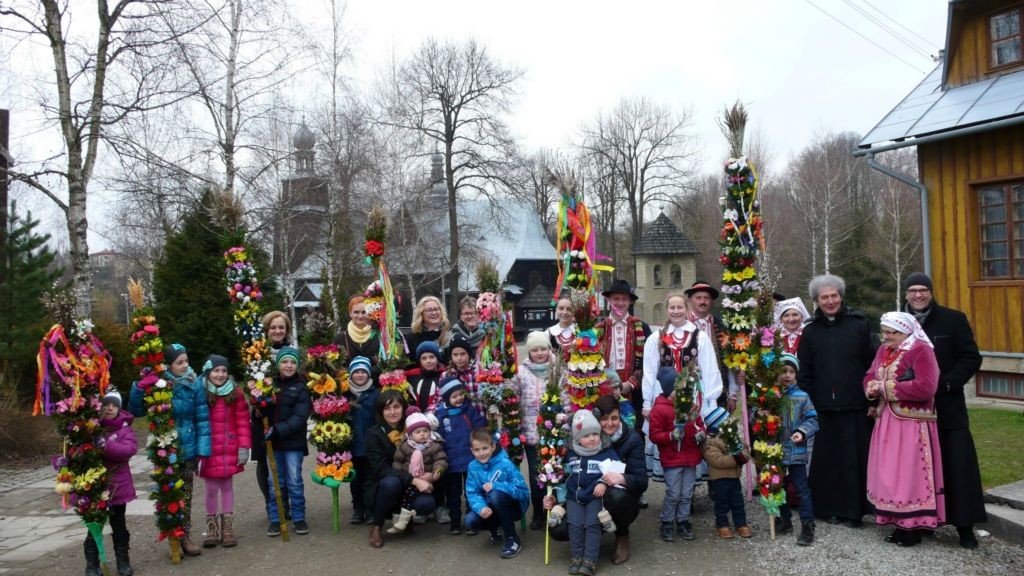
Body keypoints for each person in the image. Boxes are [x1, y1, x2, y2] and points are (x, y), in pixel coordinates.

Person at [902, 272, 986, 548]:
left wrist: (948, 383)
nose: (918, 295)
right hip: (913, 412)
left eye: (923, 290)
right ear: (906, 294)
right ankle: (921, 523)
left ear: (930, 292)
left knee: (958, 466)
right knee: (919, 470)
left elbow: (971, 357)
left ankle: (965, 526)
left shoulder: (953, 319)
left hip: (947, 407)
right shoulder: (898, 323)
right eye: (913, 290)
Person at [797, 274, 877, 528]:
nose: (830, 301)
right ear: (816, 301)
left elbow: (872, 364)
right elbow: (805, 371)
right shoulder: (810, 331)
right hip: (823, 407)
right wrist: (806, 403)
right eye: (824, 297)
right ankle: (827, 508)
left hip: (856, 404)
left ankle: (854, 512)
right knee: (827, 461)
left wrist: (874, 399)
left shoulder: (860, 324)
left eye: (834, 296)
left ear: (841, 297)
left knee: (855, 460)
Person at [865, 312, 946, 547]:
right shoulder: (884, 351)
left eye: (893, 333)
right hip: (887, 420)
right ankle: (897, 522)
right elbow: (871, 373)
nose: (887, 336)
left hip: (912, 422)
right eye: (885, 331)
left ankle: (912, 527)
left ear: (907, 332)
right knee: (890, 473)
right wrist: (870, 386)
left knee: (910, 474)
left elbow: (927, 387)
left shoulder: (920, 350)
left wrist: (885, 387)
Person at [128, 343, 210, 556]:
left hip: (188, 448)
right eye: (179, 362)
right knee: (168, 494)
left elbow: (202, 418)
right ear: (168, 365)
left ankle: (185, 536)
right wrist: (139, 387)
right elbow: (135, 411)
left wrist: (202, 449)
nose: (185, 365)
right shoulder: (159, 385)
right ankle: (173, 537)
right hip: (166, 449)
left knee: (186, 495)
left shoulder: (195, 383)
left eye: (186, 361)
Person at [641, 293, 723, 484]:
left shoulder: (699, 337)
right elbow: (650, 371)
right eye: (672, 308)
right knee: (671, 439)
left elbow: (710, 369)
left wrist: (711, 400)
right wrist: (647, 402)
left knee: (691, 438)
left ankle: (689, 489)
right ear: (666, 309)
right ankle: (673, 488)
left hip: (695, 398)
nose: (676, 311)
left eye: (680, 307)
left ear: (687, 310)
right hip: (665, 400)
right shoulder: (656, 338)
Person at [366, 391, 437, 548]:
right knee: (391, 483)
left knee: (427, 504)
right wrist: (414, 480)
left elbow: (435, 455)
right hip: (382, 487)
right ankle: (376, 527)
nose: (392, 412)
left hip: (410, 487)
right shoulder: (374, 434)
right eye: (387, 408)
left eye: (396, 407)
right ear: (380, 411)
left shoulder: (416, 430)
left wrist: (432, 474)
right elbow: (381, 469)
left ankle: (406, 519)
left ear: (404, 408)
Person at [197, 355, 251, 548]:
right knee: (211, 488)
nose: (220, 375)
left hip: (229, 447)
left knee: (227, 486)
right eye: (216, 371)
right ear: (208, 372)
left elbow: (243, 421)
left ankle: (227, 528)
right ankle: (212, 528)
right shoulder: (200, 392)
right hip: (208, 449)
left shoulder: (235, 393)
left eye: (223, 371)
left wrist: (244, 446)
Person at [563, 410, 620, 576]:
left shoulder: (605, 452)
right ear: (577, 438)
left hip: (595, 496)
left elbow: (617, 469)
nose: (593, 438)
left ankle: (589, 560)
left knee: (592, 525)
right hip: (574, 496)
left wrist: (604, 482)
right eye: (587, 435)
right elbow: (562, 474)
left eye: (595, 434)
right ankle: (576, 557)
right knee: (575, 525)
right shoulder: (571, 453)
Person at [648, 366, 702, 542]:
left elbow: (698, 423)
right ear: (669, 390)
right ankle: (667, 521)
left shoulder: (689, 405)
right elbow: (654, 435)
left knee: (687, 493)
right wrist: (671, 435)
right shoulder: (660, 409)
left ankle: (683, 521)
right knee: (673, 493)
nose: (681, 392)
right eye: (677, 389)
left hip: (690, 456)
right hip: (672, 458)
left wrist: (701, 432)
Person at [263, 346, 312, 537]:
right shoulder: (268, 384)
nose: (289, 365)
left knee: (294, 481)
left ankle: (299, 517)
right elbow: (263, 409)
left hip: (293, 442)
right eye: (284, 362)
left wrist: (278, 430)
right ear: (278, 364)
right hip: (272, 443)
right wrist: (259, 411)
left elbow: (300, 417)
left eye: (292, 362)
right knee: (275, 480)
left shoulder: (301, 386)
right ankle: (277, 518)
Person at [90, 390, 137, 576]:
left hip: (118, 486)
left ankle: (122, 562)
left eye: (114, 405)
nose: (110, 408)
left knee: (118, 524)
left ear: (119, 408)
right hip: (95, 485)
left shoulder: (125, 429)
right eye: (106, 404)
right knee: (94, 523)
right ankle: (92, 564)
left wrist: (104, 445)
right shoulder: (92, 428)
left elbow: (127, 450)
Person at [465, 427, 531, 559]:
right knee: (470, 521)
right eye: (477, 450)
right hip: (491, 508)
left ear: (493, 447)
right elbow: (472, 492)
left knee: (496, 494)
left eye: (485, 448)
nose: (481, 453)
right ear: (472, 450)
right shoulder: (473, 466)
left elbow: (522, 491)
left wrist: (496, 486)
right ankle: (495, 529)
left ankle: (512, 538)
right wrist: (481, 507)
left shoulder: (505, 463)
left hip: (514, 507)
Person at [252, 310, 293, 519]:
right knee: (264, 460)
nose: (277, 331)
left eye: (281, 327)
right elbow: (249, 380)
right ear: (267, 330)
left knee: (285, 459)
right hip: (263, 413)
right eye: (273, 327)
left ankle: (285, 502)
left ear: (286, 331)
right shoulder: (257, 353)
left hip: (285, 414)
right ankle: (272, 502)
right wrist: (257, 398)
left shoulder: (292, 352)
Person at [774, 353, 818, 546]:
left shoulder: (802, 397)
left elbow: (812, 419)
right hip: (775, 451)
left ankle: (808, 526)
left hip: (797, 451)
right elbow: (754, 418)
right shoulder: (769, 396)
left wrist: (802, 431)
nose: (788, 375)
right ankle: (784, 520)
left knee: (801, 488)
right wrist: (758, 414)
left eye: (792, 371)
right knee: (778, 486)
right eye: (784, 371)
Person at [434, 375, 487, 535]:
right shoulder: (441, 415)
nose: (458, 398)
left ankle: (472, 520)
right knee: (453, 495)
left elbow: (479, 429)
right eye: (454, 396)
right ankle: (455, 522)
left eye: (460, 394)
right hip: (451, 463)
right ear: (446, 398)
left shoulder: (469, 411)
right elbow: (438, 437)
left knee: (471, 491)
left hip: (470, 461)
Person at [512, 330, 553, 530]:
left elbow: (563, 397)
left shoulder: (556, 369)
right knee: (536, 475)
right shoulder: (521, 372)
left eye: (543, 349)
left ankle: (553, 509)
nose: (539, 353)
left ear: (548, 349)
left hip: (553, 432)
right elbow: (513, 397)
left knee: (552, 473)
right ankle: (538, 512)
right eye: (535, 350)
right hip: (530, 433)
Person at [596, 279, 650, 429]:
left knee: (634, 432)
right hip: (605, 390)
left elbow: (649, 361)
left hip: (634, 391)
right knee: (607, 429)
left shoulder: (642, 327)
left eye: (624, 299)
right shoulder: (599, 329)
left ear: (630, 302)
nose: (620, 303)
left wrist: (631, 384)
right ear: (609, 301)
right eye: (616, 299)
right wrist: (606, 385)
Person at [388, 407, 448, 533]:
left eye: (425, 431)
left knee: (420, 496)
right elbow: (398, 462)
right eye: (418, 432)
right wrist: (402, 476)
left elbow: (441, 460)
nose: (422, 434)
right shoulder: (405, 446)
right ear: (411, 434)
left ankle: (408, 518)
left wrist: (437, 471)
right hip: (409, 479)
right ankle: (403, 518)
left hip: (428, 479)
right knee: (407, 495)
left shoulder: (434, 445)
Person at [700, 406, 752, 540]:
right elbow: (718, 461)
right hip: (720, 478)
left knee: (737, 502)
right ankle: (722, 525)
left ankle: (741, 523)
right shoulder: (710, 443)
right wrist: (736, 458)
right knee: (722, 502)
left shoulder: (733, 438)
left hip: (734, 476)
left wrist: (743, 455)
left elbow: (744, 448)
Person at [685, 281, 734, 411]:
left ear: (711, 301)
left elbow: (731, 362)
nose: (703, 301)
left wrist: (732, 395)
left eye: (706, 298)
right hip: (687, 392)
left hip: (718, 392)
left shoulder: (722, 326)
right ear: (690, 300)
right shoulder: (681, 324)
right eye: (698, 298)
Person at [347, 356, 380, 525]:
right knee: (355, 480)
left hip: (370, 445)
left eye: (363, 372)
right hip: (352, 445)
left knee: (370, 479)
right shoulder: (345, 395)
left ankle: (370, 509)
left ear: (368, 374)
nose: (360, 375)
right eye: (356, 372)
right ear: (351, 374)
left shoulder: (375, 394)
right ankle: (358, 509)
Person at [335, 296, 382, 375]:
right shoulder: (341, 338)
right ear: (350, 314)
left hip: (376, 384)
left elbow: (386, 364)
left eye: (364, 312)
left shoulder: (379, 335)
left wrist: (369, 372)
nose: (360, 316)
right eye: (356, 312)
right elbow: (336, 365)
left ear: (370, 313)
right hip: (348, 384)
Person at [444, 335, 482, 415]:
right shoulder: (446, 375)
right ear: (451, 356)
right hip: (459, 421)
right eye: (455, 354)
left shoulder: (477, 373)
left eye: (463, 354)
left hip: (480, 420)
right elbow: (439, 399)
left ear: (469, 354)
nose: (459, 358)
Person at [405, 296, 450, 363]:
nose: (434, 313)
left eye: (436, 309)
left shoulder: (450, 334)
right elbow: (409, 363)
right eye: (429, 310)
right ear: (421, 313)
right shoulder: (412, 337)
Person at [407, 341, 445, 413]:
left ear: (437, 358)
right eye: (424, 358)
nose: (428, 361)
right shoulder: (412, 375)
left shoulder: (444, 376)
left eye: (431, 357)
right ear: (420, 361)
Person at [548, 294, 576, 361]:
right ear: (556, 310)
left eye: (569, 309)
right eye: (561, 308)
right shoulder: (549, 332)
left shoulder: (582, 332)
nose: (564, 312)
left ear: (574, 311)